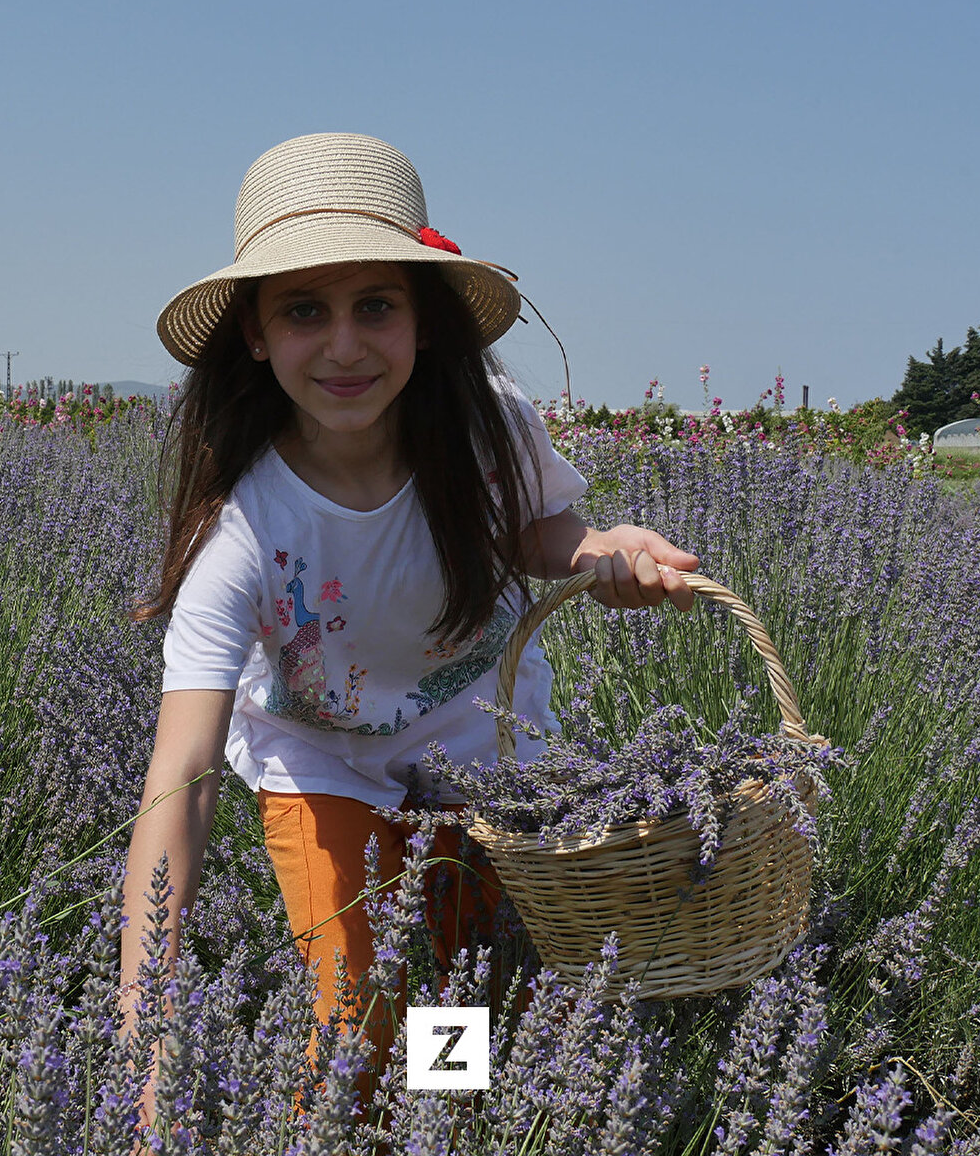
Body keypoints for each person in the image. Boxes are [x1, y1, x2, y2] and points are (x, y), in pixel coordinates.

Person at [119, 132, 699, 1131]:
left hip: (479, 755)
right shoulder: (244, 536)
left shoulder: (483, 425)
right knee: (357, 1014)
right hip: (321, 762)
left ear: (423, 320)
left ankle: (436, 1133)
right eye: (305, 310)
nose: (345, 346)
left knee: (456, 992)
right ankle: (345, 1136)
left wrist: (598, 551)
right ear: (255, 334)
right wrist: (146, 1035)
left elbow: (529, 527)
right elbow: (183, 781)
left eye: (376, 306)